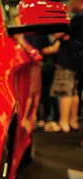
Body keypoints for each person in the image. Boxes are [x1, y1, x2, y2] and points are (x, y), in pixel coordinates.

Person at [50, 0, 83, 133]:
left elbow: (58, 34)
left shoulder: (77, 18)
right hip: (78, 61)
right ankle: (72, 121)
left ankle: (63, 122)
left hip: (68, 60)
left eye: (72, 3)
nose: (70, 6)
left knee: (66, 91)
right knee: (74, 91)